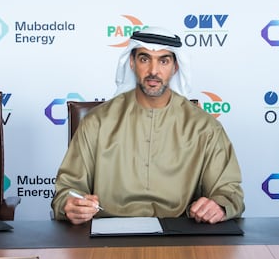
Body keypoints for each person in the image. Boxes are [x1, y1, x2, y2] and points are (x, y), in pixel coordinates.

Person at [52, 27, 245, 225]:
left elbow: (228, 192)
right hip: (108, 236)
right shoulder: (97, 122)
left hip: (180, 235)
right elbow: (67, 190)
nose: (154, 71)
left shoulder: (205, 127)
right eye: (145, 59)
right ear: (132, 63)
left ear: (175, 67)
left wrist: (219, 206)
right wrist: (70, 204)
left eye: (164, 61)